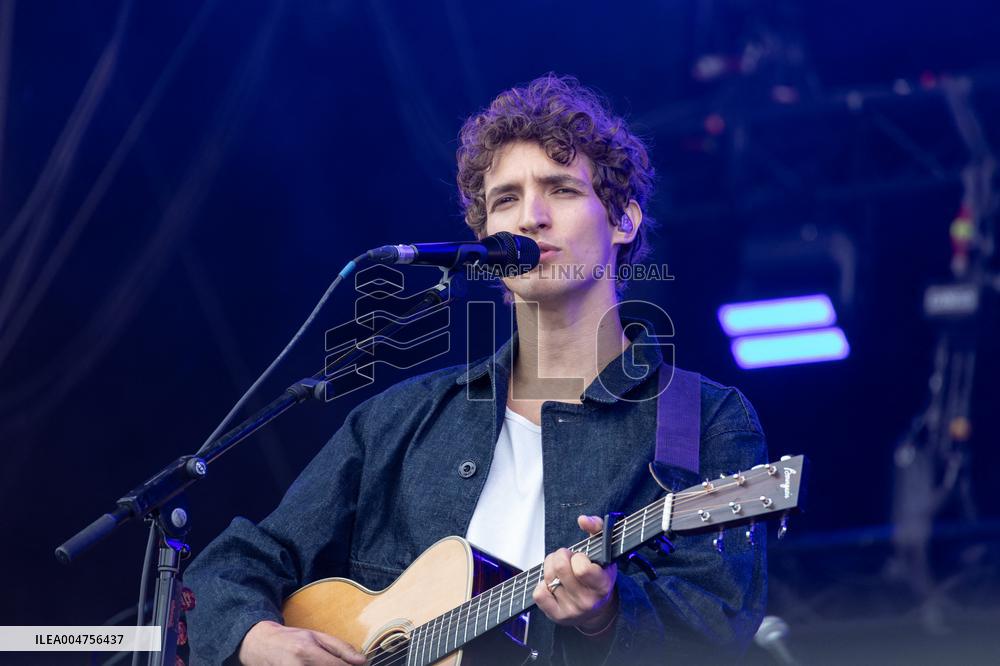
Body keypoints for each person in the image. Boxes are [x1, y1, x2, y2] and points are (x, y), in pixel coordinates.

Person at [184, 74, 767, 665]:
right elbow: (232, 566)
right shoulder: (398, 418)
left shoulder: (700, 418)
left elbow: (714, 632)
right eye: (506, 199)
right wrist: (256, 638)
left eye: (561, 190)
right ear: (485, 235)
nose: (530, 218)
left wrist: (606, 619)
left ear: (624, 221)